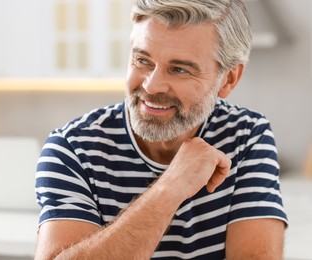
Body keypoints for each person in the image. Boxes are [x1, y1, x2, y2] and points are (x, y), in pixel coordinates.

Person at [34, 0, 288, 259]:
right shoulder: (72, 149)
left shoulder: (246, 136)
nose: (152, 86)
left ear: (228, 79)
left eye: (179, 69)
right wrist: (171, 187)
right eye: (142, 60)